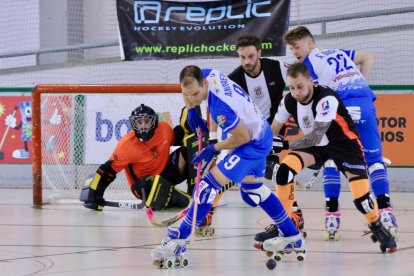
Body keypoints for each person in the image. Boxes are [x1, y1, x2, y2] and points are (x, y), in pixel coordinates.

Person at [151, 65, 306, 268]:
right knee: (252, 192)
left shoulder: (220, 106)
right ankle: (292, 235)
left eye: (196, 94)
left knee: (208, 186)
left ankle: (180, 237)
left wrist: (213, 148)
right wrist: (191, 110)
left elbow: (242, 137)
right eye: (188, 95)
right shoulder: (205, 74)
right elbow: (187, 88)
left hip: (252, 142)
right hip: (262, 132)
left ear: (204, 84)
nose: (193, 98)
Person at [283, 26, 398, 239]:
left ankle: (332, 215)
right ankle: (386, 213)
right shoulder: (337, 52)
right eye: (291, 49)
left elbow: (314, 97)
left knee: (330, 154)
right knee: (374, 159)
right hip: (364, 100)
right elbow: (368, 57)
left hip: (341, 107)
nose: (295, 53)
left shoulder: (307, 66)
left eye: (296, 47)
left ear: (309, 43)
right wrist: (361, 83)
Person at [227, 34, 305, 244]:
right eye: (242, 57)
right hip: (249, 133)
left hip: (275, 126)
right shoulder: (234, 79)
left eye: (251, 56)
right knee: (235, 172)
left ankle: (293, 215)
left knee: (272, 167)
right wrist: (215, 138)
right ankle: (206, 216)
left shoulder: (279, 67)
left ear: (260, 53)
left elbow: (305, 75)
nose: (247, 62)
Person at [80, 104, 194, 212]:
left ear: (154, 122)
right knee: (146, 185)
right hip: (142, 185)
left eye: (147, 121)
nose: (143, 125)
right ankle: (186, 201)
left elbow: (178, 137)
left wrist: (190, 126)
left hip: (165, 174)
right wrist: (95, 193)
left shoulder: (164, 129)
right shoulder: (126, 145)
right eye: (139, 122)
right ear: (134, 124)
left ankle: (193, 191)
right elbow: (107, 171)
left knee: (189, 151)